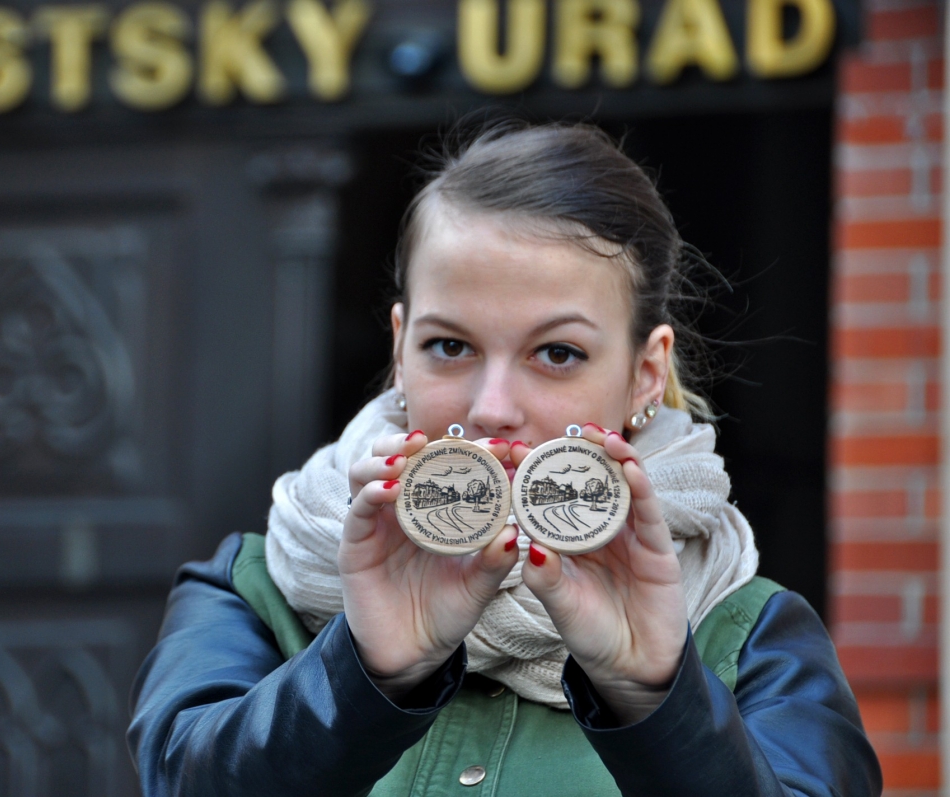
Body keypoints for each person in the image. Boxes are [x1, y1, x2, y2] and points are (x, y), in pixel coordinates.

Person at [127, 123, 882, 795]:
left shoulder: (752, 634)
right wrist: (365, 671)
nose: (491, 406)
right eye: (449, 346)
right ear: (400, 349)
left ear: (645, 374)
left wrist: (654, 694)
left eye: (557, 352)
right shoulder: (250, 590)